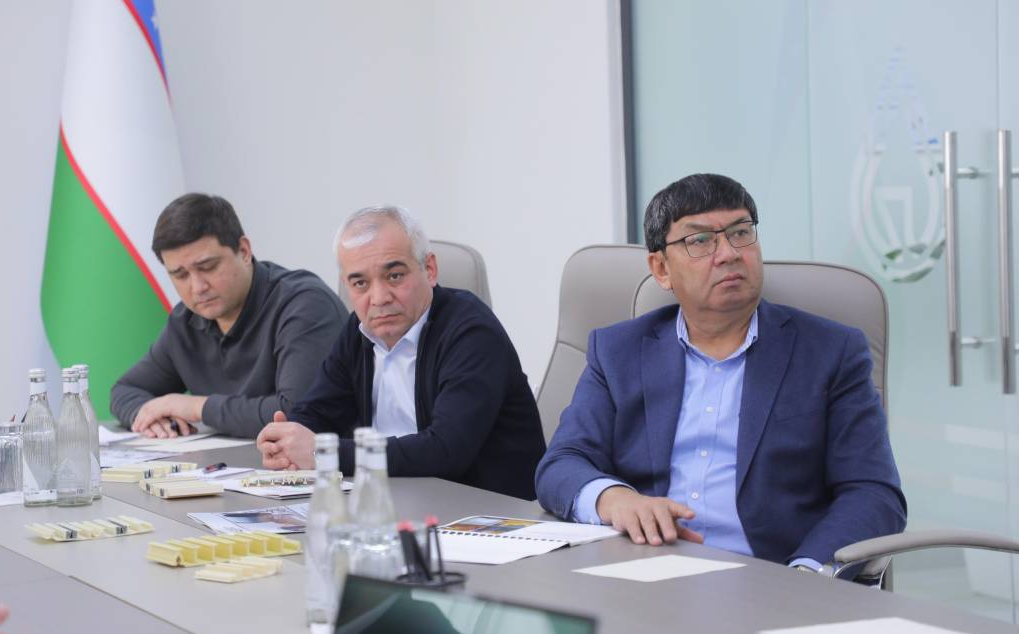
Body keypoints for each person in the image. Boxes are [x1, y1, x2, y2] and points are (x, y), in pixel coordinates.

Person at [535, 173, 906, 574]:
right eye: (700, 240)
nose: (728, 253)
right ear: (661, 268)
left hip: (771, 578)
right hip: (640, 571)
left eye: (740, 233)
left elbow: (873, 493)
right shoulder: (618, 351)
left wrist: (808, 572)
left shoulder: (830, 352)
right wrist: (614, 499)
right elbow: (562, 463)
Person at [256, 205, 546, 500]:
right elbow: (319, 411)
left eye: (394, 276)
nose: (379, 298)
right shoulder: (359, 331)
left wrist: (324, 453)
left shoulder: (472, 332)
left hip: (482, 510)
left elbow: (446, 451)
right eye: (360, 283)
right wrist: (287, 441)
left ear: (429, 269)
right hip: (393, 499)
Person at [111, 193, 348, 439]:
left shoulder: (305, 304)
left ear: (244, 251)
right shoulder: (185, 321)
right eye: (180, 275)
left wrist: (197, 407)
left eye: (208, 267)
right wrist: (150, 417)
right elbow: (125, 390)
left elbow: (299, 415)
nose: (197, 287)